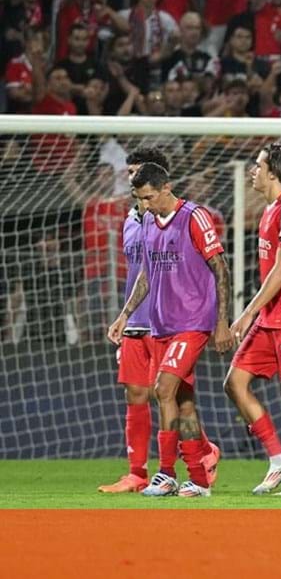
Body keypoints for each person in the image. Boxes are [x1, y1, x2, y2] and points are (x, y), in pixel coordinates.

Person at [106, 163, 232, 497]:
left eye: (148, 197)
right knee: (183, 402)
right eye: (139, 198)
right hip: (162, 324)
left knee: (162, 389)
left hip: (193, 323)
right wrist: (125, 314)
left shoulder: (194, 216)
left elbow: (220, 268)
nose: (144, 205)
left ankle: (165, 473)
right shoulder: (147, 219)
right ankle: (200, 480)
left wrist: (221, 322)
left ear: (165, 187)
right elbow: (146, 274)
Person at [223, 144, 281, 497]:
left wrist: (247, 312)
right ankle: (280, 459)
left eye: (258, 165)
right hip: (270, 318)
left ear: (274, 172)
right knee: (235, 383)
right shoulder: (269, 211)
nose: (253, 170)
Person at [98, 147, 171, 494]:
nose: (131, 178)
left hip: (167, 320)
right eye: (128, 172)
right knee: (135, 394)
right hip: (136, 320)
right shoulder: (130, 218)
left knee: (170, 396)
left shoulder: (173, 216)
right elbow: (137, 271)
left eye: (138, 171)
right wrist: (124, 315)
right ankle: (137, 473)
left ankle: (200, 453)